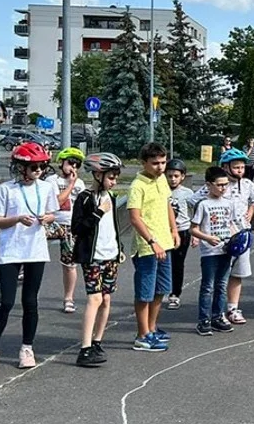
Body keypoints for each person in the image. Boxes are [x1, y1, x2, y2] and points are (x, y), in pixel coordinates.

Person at [0, 142, 59, 373]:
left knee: (30, 302)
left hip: (35, 251)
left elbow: (53, 213)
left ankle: (27, 348)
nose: (38, 171)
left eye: (41, 167)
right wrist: (16, 219)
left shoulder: (45, 188)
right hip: (12, 251)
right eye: (33, 167)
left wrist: (48, 219)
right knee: (6, 302)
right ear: (20, 167)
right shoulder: (7, 189)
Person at [70, 152, 124, 368]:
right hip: (92, 257)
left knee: (107, 299)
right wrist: (97, 213)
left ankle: (97, 340)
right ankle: (84, 348)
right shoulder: (85, 198)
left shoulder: (111, 197)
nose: (114, 181)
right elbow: (78, 228)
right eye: (111, 177)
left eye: (116, 177)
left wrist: (119, 247)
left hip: (110, 255)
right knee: (95, 299)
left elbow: (113, 228)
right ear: (98, 175)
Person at [197, 148, 254, 324]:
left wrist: (250, 212)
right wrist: (199, 230)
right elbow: (195, 201)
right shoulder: (216, 185)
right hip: (218, 237)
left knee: (237, 273)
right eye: (236, 167)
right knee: (216, 278)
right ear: (225, 167)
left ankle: (232, 308)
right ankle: (213, 313)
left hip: (241, 235)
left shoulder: (248, 184)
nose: (240, 170)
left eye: (242, 167)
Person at [128, 142, 179, 353]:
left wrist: (174, 230)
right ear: (144, 163)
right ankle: (142, 335)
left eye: (163, 162)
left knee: (161, 290)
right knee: (145, 293)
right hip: (147, 247)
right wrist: (152, 241)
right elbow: (134, 217)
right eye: (155, 163)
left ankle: (152, 327)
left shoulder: (162, 180)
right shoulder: (137, 186)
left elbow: (167, 205)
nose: (160, 167)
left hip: (165, 244)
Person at [190, 166, 239, 336]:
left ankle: (218, 317)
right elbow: (193, 229)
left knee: (222, 285)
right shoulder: (203, 204)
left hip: (226, 250)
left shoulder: (229, 203)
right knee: (208, 286)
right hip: (210, 252)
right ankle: (204, 319)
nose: (223, 188)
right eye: (219, 185)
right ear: (209, 185)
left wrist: (237, 239)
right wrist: (207, 238)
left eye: (226, 185)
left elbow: (231, 224)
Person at [52, 147, 87, 315]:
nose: (73, 167)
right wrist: (70, 185)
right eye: (70, 163)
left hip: (70, 226)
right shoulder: (52, 181)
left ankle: (68, 298)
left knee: (69, 264)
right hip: (53, 222)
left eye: (77, 164)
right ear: (62, 163)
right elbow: (57, 203)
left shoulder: (80, 184)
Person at [165, 159, 195, 310]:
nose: (173, 179)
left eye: (176, 176)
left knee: (177, 264)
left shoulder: (187, 193)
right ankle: (160, 291)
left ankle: (175, 294)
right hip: (164, 231)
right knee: (163, 263)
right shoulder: (161, 190)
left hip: (182, 230)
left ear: (182, 176)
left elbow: (194, 213)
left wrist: (195, 234)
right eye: (169, 176)